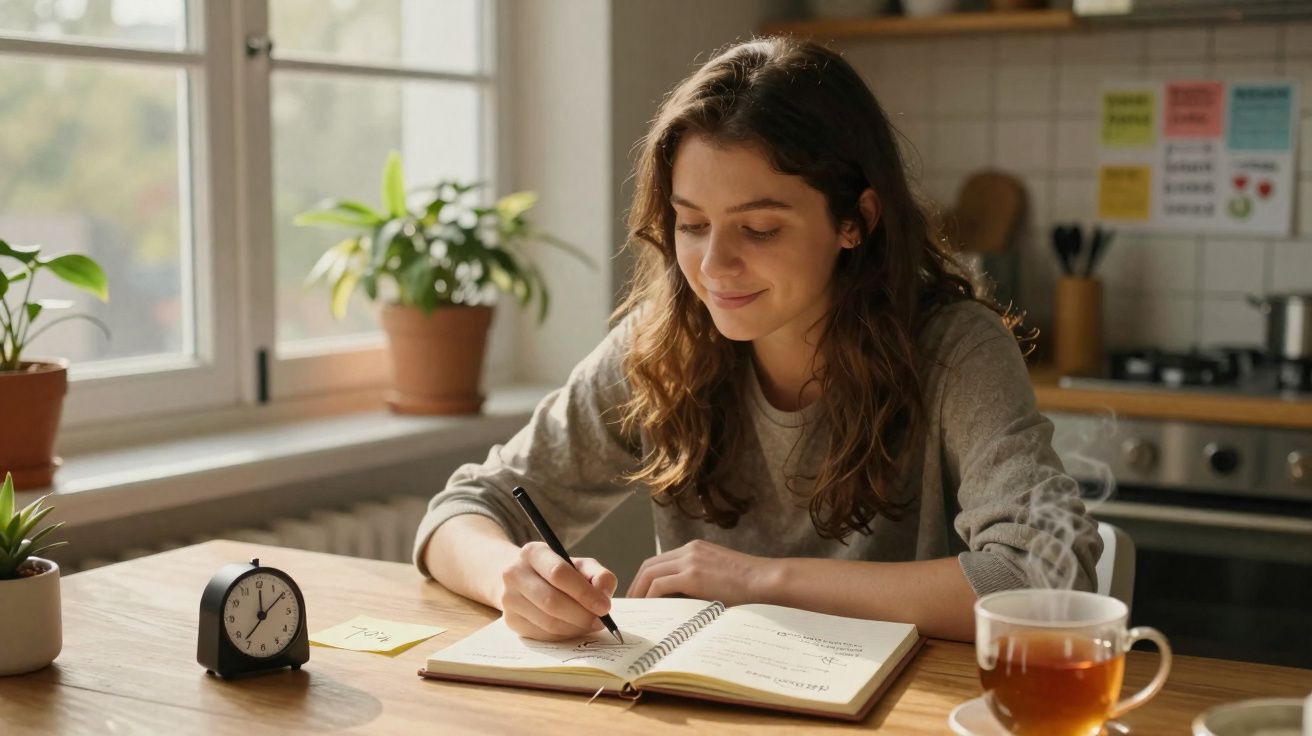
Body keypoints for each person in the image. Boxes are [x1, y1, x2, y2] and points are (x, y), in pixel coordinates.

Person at [414, 36, 1101, 643]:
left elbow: (1041, 575)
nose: (714, 265)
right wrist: (514, 575)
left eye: (760, 228)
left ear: (855, 219)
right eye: (691, 223)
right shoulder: (659, 345)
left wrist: (761, 580)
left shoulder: (956, 348)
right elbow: (461, 512)